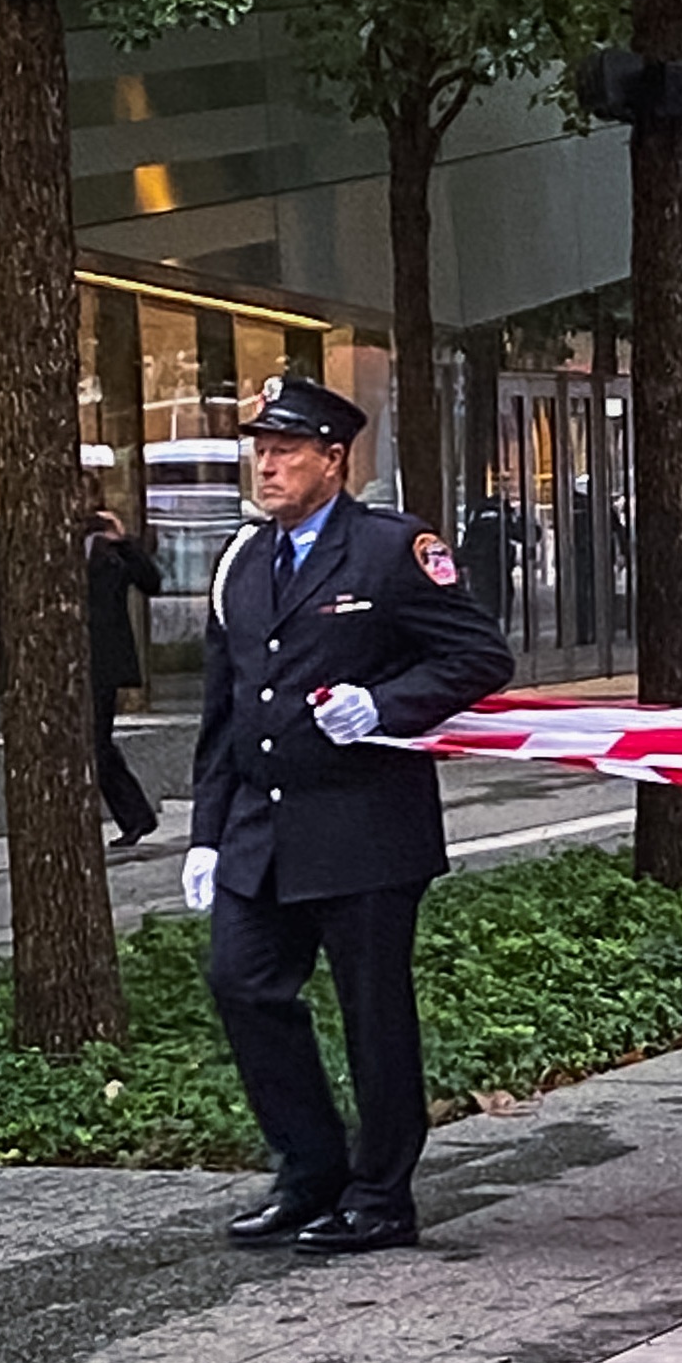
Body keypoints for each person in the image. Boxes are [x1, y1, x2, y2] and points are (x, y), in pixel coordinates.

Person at [183, 375, 515, 1256]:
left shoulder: (389, 552)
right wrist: (206, 833)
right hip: (263, 829)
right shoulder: (243, 561)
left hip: (365, 827)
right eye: (261, 448)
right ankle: (309, 1171)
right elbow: (226, 710)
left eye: (287, 448)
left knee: (374, 1015)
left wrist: (385, 704)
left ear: (335, 459)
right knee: (242, 983)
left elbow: (481, 655)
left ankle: (380, 1194)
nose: (269, 464)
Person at [85, 490, 166, 852]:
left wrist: (124, 541)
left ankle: (134, 816)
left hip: (101, 661)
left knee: (96, 743)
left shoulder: (111, 551)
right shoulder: (62, 549)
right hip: (72, 658)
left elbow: (151, 582)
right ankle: (135, 816)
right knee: (92, 744)